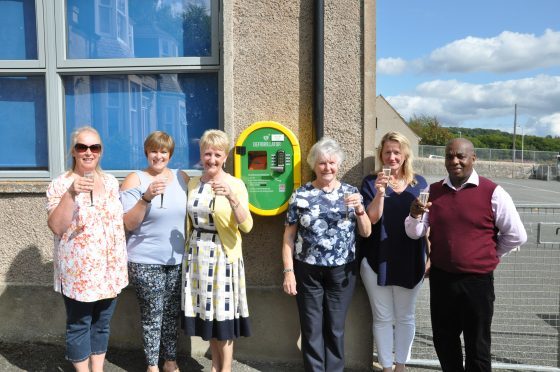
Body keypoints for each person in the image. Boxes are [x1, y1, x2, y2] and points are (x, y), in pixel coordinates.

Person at [405, 138, 527, 371]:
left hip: (477, 282)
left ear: (473, 158)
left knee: (477, 345)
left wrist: (490, 254)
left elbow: (517, 235)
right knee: (444, 340)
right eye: (450, 156)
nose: (455, 161)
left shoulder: (493, 192)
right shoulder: (432, 191)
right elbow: (415, 233)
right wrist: (413, 215)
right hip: (442, 280)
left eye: (460, 156)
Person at [282, 137, 371, 372]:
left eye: (332, 163)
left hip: (342, 272)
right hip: (307, 270)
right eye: (322, 163)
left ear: (338, 164)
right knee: (311, 327)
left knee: (336, 327)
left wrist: (360, 210)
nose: (327, 168)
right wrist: (289, 272)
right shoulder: (300, 195)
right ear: (314, 164)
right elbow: (288, 238)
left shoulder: (352, 193)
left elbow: (366, 232)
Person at [46, 126, 128, 372]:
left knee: (102, 324)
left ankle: (98, 369)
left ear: (101, 152)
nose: (88, 152)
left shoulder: (112, 183)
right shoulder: (60, 184)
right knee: (80, 324)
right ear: (73, 151)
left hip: (110, 271)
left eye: (95, 147)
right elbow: (57, 227)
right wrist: (71, 193)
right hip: (79, 274)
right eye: (82, 147)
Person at [181, 129, 253, 372]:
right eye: (207, 154)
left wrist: (232, 198)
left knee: (222, 316)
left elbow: (247, 226)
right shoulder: (192, 183)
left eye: (217, 155)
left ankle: (226, 369)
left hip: (223, 255)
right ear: (201, 155)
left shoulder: (235, 184)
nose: (212, 159)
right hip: (197, 255)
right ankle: (214, 366)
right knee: (208, 314)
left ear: (225, 157)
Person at [120, 131, 188, 372]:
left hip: (176, 258)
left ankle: (170, 361)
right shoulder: (134, 179)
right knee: (153, 313)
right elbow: (128, 223)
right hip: (145, 258)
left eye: (163, 151)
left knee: (171, 313)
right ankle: (151, 364)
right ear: (146, 152)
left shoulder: (182, 177)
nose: (158, 156)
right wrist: (145, 198)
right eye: (153, 151)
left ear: (170, 154)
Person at [360, 132, 428, 372]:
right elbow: (371, 220)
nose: (392, 157)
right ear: (381, 154)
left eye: (397, 152)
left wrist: (431, 255)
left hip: (410, 259)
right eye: (387, 152)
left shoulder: (419, 183)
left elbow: (426, 223)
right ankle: (386, 367)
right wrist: (380, 192)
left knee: (405, 317)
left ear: (405, 154)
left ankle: (401, 366)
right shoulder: (370, 182)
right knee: (382, 317)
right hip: (376, 259)